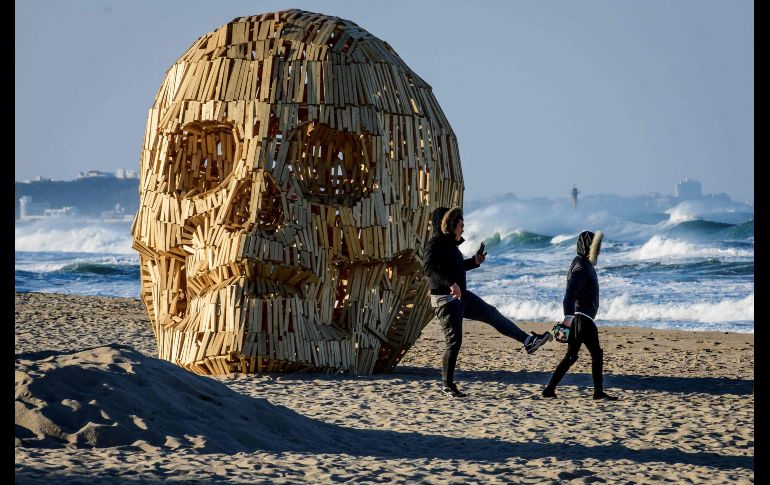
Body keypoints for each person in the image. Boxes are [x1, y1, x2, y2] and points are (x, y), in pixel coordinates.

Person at [424, 206, 553, 398]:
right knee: (454, 342)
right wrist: (450, 283)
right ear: (449, 225)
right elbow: (429, 268)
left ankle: (528, 341)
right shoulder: (435, 244)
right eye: (460, 225)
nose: (463, 229)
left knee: (491, 313)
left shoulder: (451, 246)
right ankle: (447, 385)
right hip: (445, 300)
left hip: (462, 297)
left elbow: (457, 268)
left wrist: (474, 262)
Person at [542, 230, 618, 400]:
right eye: (595, 247)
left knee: (571, 356)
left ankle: (549, 389)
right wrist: (567, 319)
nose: (598, 251)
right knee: (596, 354)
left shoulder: (583, 264)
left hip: (580, 318)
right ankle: (598, 392)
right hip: (582, 318)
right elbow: (570, 293)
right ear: (586, 247)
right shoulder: (582, 266)